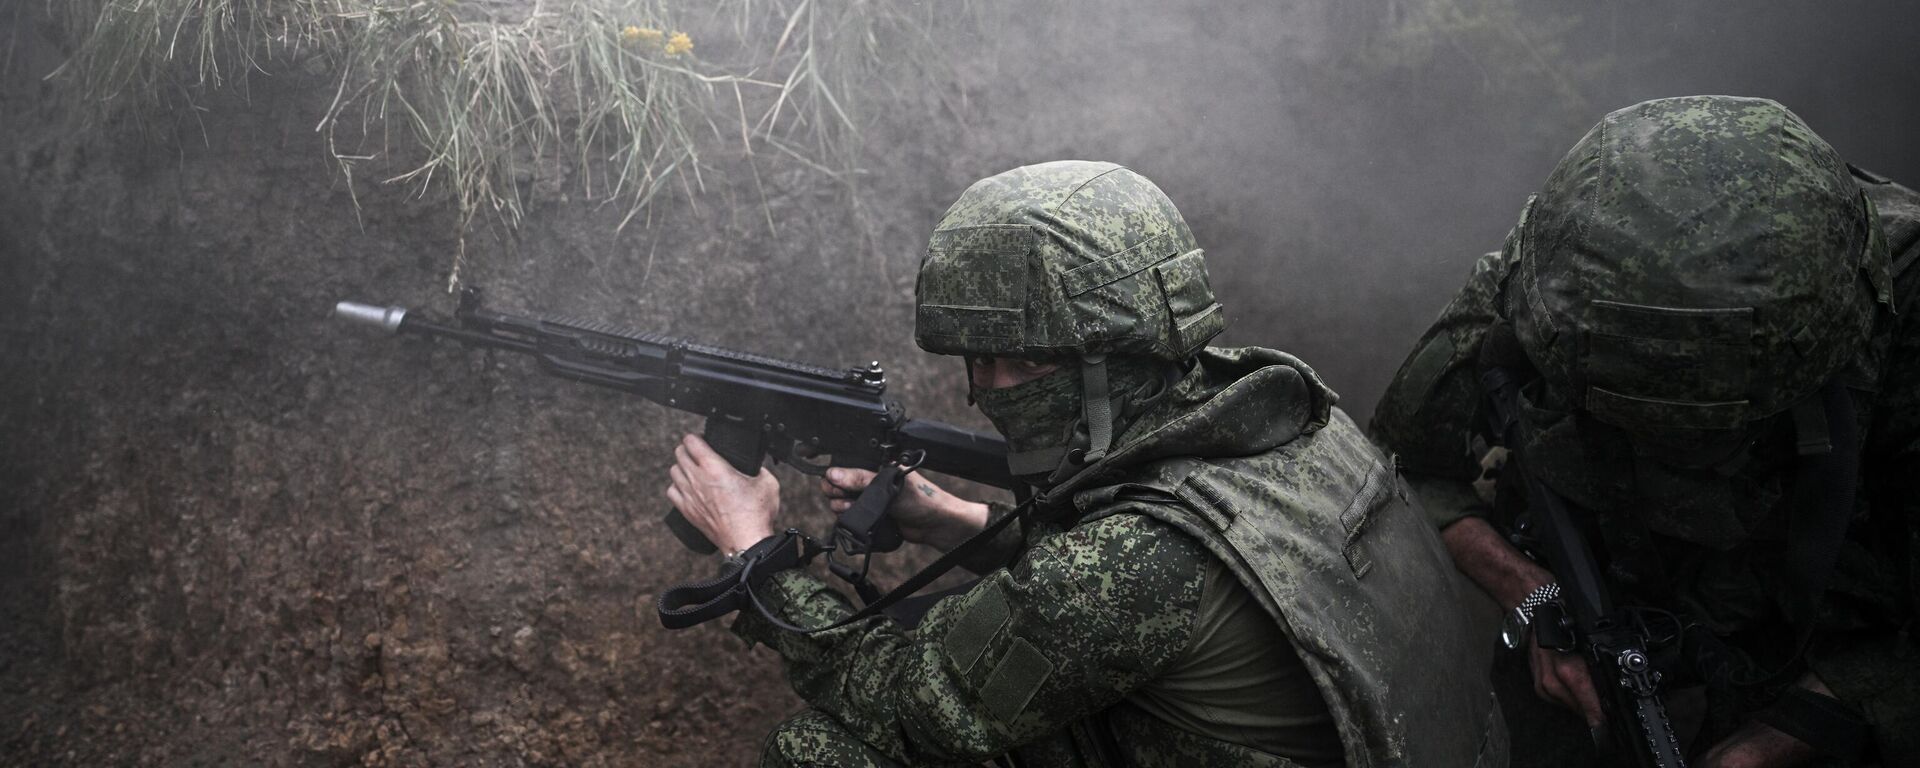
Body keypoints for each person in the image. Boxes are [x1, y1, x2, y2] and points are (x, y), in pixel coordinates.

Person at [666, 160, 1508, 766]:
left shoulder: (1139, 560)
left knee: (822, 752)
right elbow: (1161, 590)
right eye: (977, 361)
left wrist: (752, 550)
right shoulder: (1282, 415)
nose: (983, 390)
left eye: (1016, 362)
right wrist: (961, 523)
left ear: (1111, 356)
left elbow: (896, 702)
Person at [1371, 95, 1920, 767]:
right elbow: (1404, 467)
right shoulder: (1550, 286)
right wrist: (1530, 591)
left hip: (1848, 644)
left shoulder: (1901, 317)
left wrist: (1808, 719)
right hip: (1594, 620)